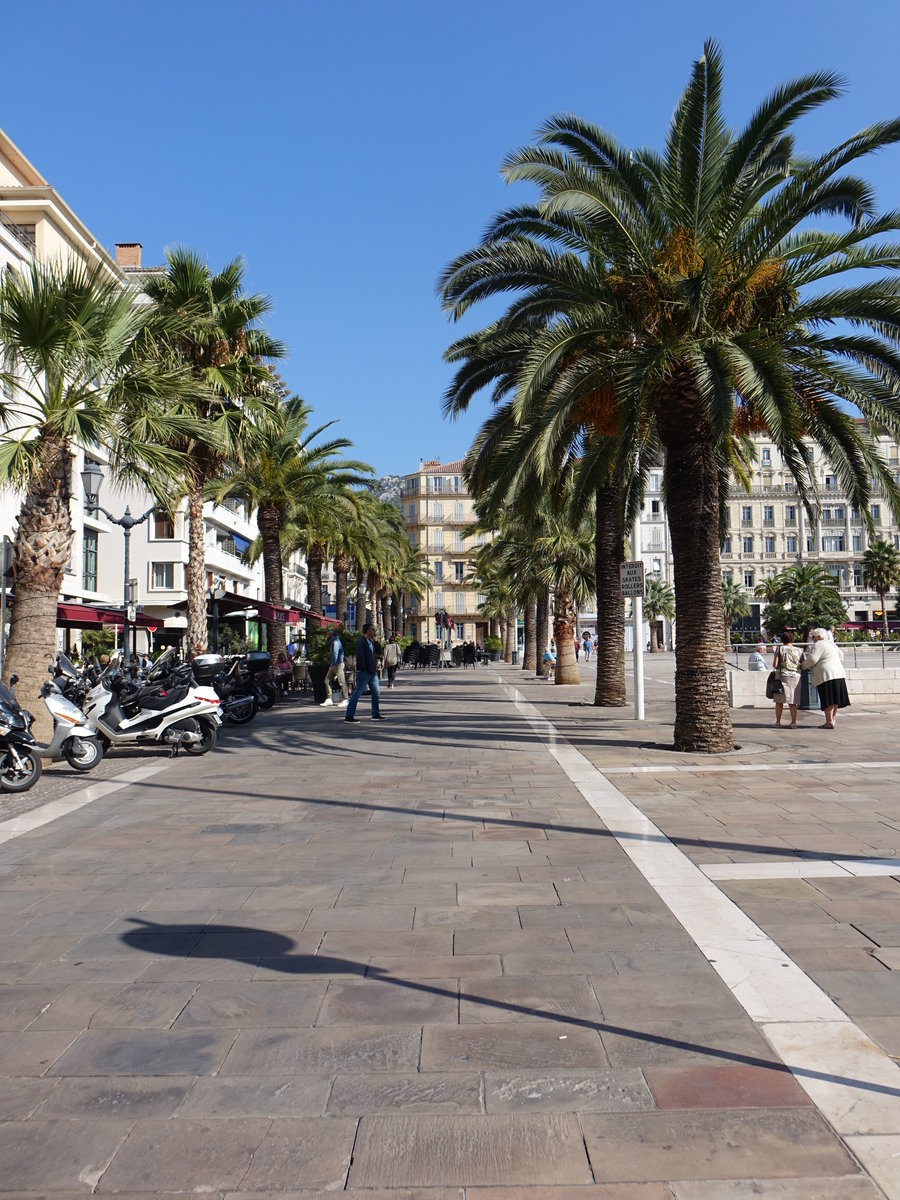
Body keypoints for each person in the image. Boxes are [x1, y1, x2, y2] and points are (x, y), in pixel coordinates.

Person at [800, 627, 850, 729]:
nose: (812, 639)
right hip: (839, 673)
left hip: (826, 675)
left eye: (813, 637)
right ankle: (832, 720)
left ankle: (829, 721)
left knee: (828, 699)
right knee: (835, 699)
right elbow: (841, 655)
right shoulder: (831, 643)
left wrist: (802, 666)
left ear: (818, 636)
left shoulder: (818, 645)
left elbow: (812, 659)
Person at [345, 623, 382, 722]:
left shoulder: (371, 641)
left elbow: (379, 651)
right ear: (367, 630)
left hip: (372, 672)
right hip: (364, 672)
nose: (374, 632)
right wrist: (363, 668)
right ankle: (349, 716)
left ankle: (375, 714)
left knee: (376, 692)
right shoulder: (362, 641)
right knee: (357, 693)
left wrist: (376, 640)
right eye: (372, 630)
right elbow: (361, 656)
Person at [772, 629, 802, 728]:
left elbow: (775, 665)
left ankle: (777, 722)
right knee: (793, 701)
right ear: (792, 640)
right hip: (795, 676)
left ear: (782, 640)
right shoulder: (798, 650)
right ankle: (793, 722)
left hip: (782, 676)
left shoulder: (780, 649)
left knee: (779, 701)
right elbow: (802, 664)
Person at [322, 629, 349, 707]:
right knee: (327, 681)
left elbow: (335, 654)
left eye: (327, 634)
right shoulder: (334, 642)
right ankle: (329, 698)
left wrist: (332, 665)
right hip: (336, 664)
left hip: (338, 664)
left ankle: (345, 699)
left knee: (342, 682)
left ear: (331, 635)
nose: (327, 636)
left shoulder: (335, 642)